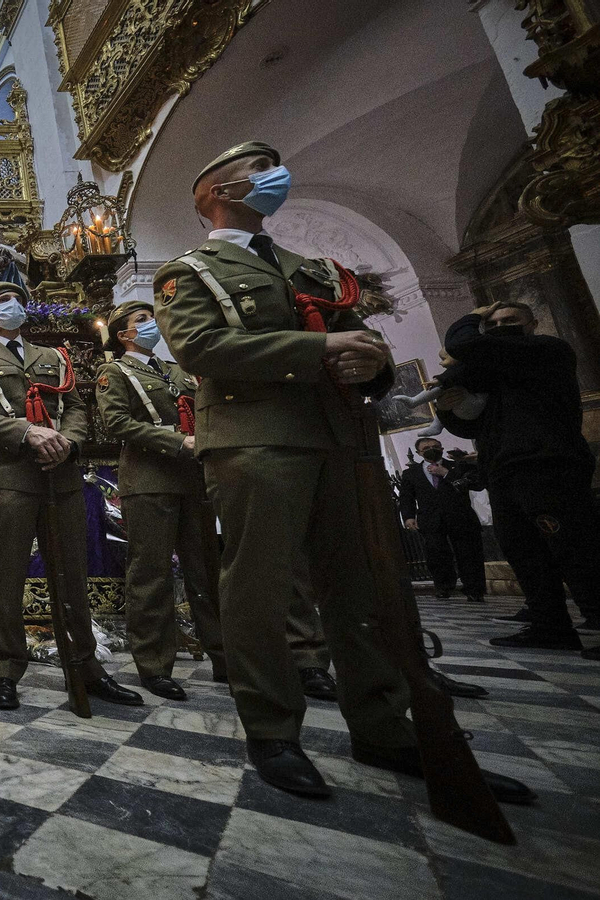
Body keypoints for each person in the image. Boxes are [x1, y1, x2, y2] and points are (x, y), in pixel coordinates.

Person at [154, 141, 529, 803]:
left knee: (361, 588)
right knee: (261, 588)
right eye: (258, 171)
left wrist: (373, 363)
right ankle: (273, 730)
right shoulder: (189, 271)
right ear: (215, 191)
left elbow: (363, 338)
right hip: (254, 438)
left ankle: (382, 726)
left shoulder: (315, 270)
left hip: (340, 438)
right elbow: (203, 347)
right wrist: (319, 348)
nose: (276, 177)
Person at [0, 282, 143, 710]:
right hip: (10, 475)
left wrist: (69, 442)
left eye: (18, 299)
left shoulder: (52, 357)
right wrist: (27, 432)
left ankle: (86, 666)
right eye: (3, 301)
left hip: (62, 476)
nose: (13, 306)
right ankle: (3, 669)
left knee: (71, 574)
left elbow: (75, 405)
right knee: (7, 575)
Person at [438, 301, 600, 653]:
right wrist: (454, 407)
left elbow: (462, 345)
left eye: (510, 320)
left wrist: (475, 316)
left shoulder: (547, 350)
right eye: (494, 322)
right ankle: (550, 627)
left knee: (575, 550)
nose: (500, 326)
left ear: (532, 324)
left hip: (546, 464)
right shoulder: (497, 369)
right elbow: (475, 422)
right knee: (524, 554)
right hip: (502, 468)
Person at [94, 299, 225, 701]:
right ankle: (154, 664)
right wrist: (176, 441)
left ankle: (225, 656)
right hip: (150, 479)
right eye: (142, 320)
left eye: (152, 317)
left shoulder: (179, 371)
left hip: (195, 479)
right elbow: (116, 422)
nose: (152, 324)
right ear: (124, 335)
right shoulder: (114, 372)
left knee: (207, 571)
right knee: (150, 574)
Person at [399, 436, 486, 603]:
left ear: (442, 448)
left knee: (468, 554)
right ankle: (444, 586)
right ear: (418, 453)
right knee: (436, 555)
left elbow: (476, 484)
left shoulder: (457, 465)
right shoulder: (411, 473)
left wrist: (446, 474)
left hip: (460, 516)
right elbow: (406, 497)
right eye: (426, 448)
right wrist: (409, 516)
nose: (432, 449)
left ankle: (474, 589)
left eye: (435, 446)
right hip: (431, 519)